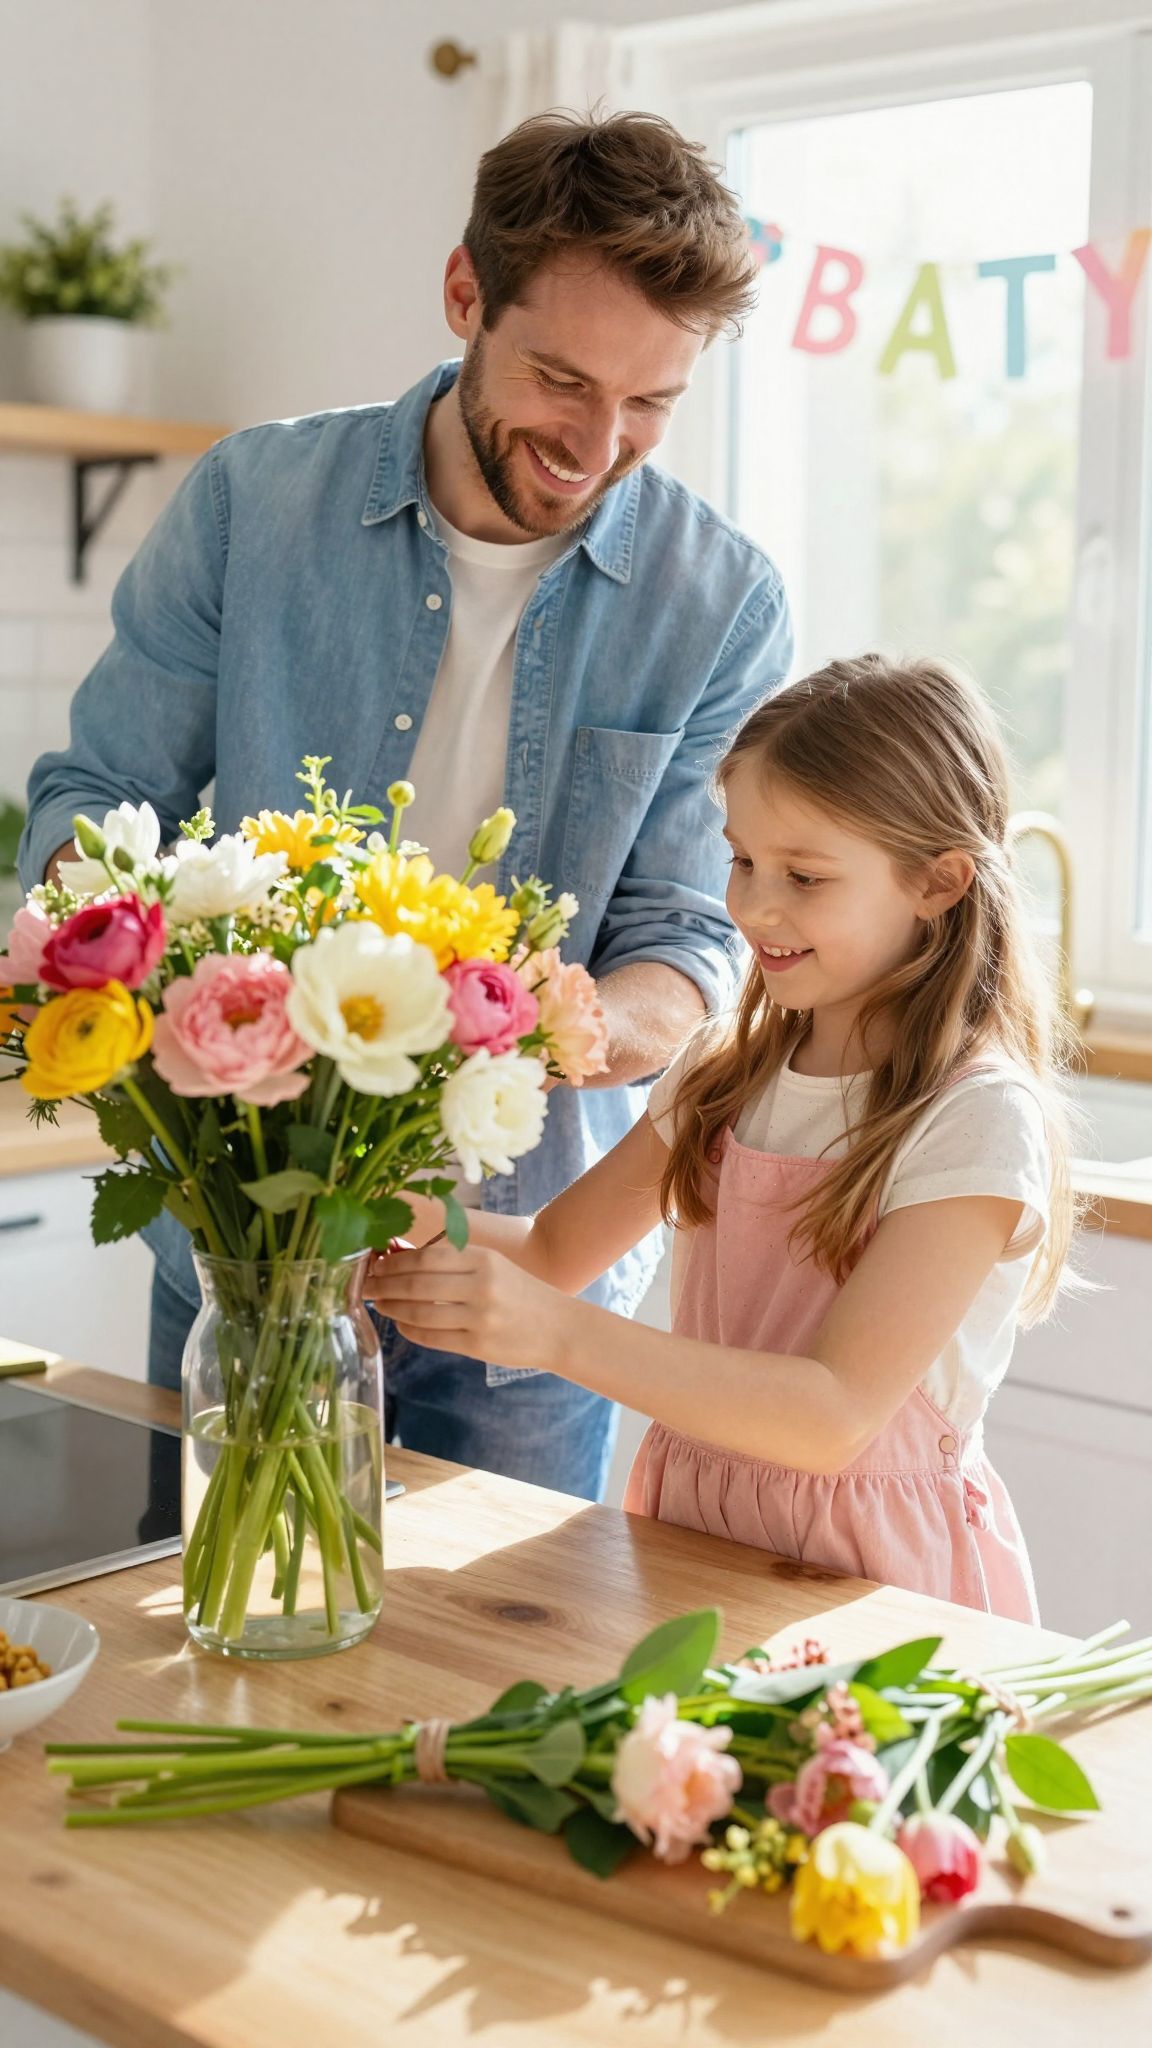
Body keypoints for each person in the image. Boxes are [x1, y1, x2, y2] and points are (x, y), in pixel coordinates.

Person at [18, 111, 792, 1502]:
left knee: (484, 1703)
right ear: (461, 296)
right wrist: (114, 961)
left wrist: (584, 1022)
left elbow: (690, 936)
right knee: (206, 1657)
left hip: (521, 1289)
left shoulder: (719, 600)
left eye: (653, 405)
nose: (597, 445)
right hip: (237, 1236)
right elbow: (102, 796)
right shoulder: (256, 501)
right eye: (560, 379)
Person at [366, 653, 1081, 1621]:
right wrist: (367, 1210)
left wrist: (556, 1332)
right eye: (743, 859)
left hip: (872, 1585)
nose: (754, 906)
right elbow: (551, 1250)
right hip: (693, 1536)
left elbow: (832, 1413)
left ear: (938, 881)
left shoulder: (973, 1119)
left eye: (805, 875)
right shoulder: (725, 1070)